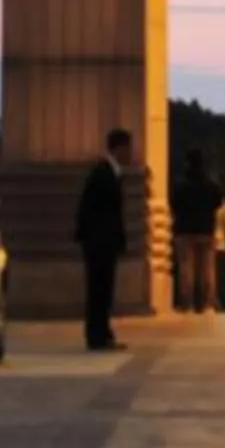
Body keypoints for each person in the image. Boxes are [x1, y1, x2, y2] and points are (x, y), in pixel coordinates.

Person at [73, 127, 132, 353]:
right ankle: (97, 335)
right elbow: (95, 210)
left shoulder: (109, 172)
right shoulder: (102, 173)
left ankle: (102, 332)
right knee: (99, 289)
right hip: (99, 242)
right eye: (128, 149)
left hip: (102, 241)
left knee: (103, 289)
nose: (130, 154)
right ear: (119, 148)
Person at [170, 146, 224, 315]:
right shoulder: (211, 185)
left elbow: (174, 203)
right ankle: (207, 302)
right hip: (206, 229)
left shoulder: (180, 184)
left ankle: (187, 302)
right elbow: (218, 202)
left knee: (186, 267)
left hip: (184, 229)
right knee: (207, 268)